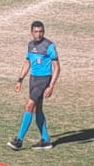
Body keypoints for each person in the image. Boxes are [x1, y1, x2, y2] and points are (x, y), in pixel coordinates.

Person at [11, 20, 59, 150]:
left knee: (29, 106)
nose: (39, 34)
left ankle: (19, 139)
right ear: (31, 32)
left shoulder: (49, 46)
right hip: (33, 79)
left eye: (41, 31)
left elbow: (57, 67)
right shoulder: (30, 45)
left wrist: (51, 86)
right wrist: (20, 80)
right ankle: (46, 140)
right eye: (36, 31)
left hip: (43, 80)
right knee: (38, 109)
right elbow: (27, 62)